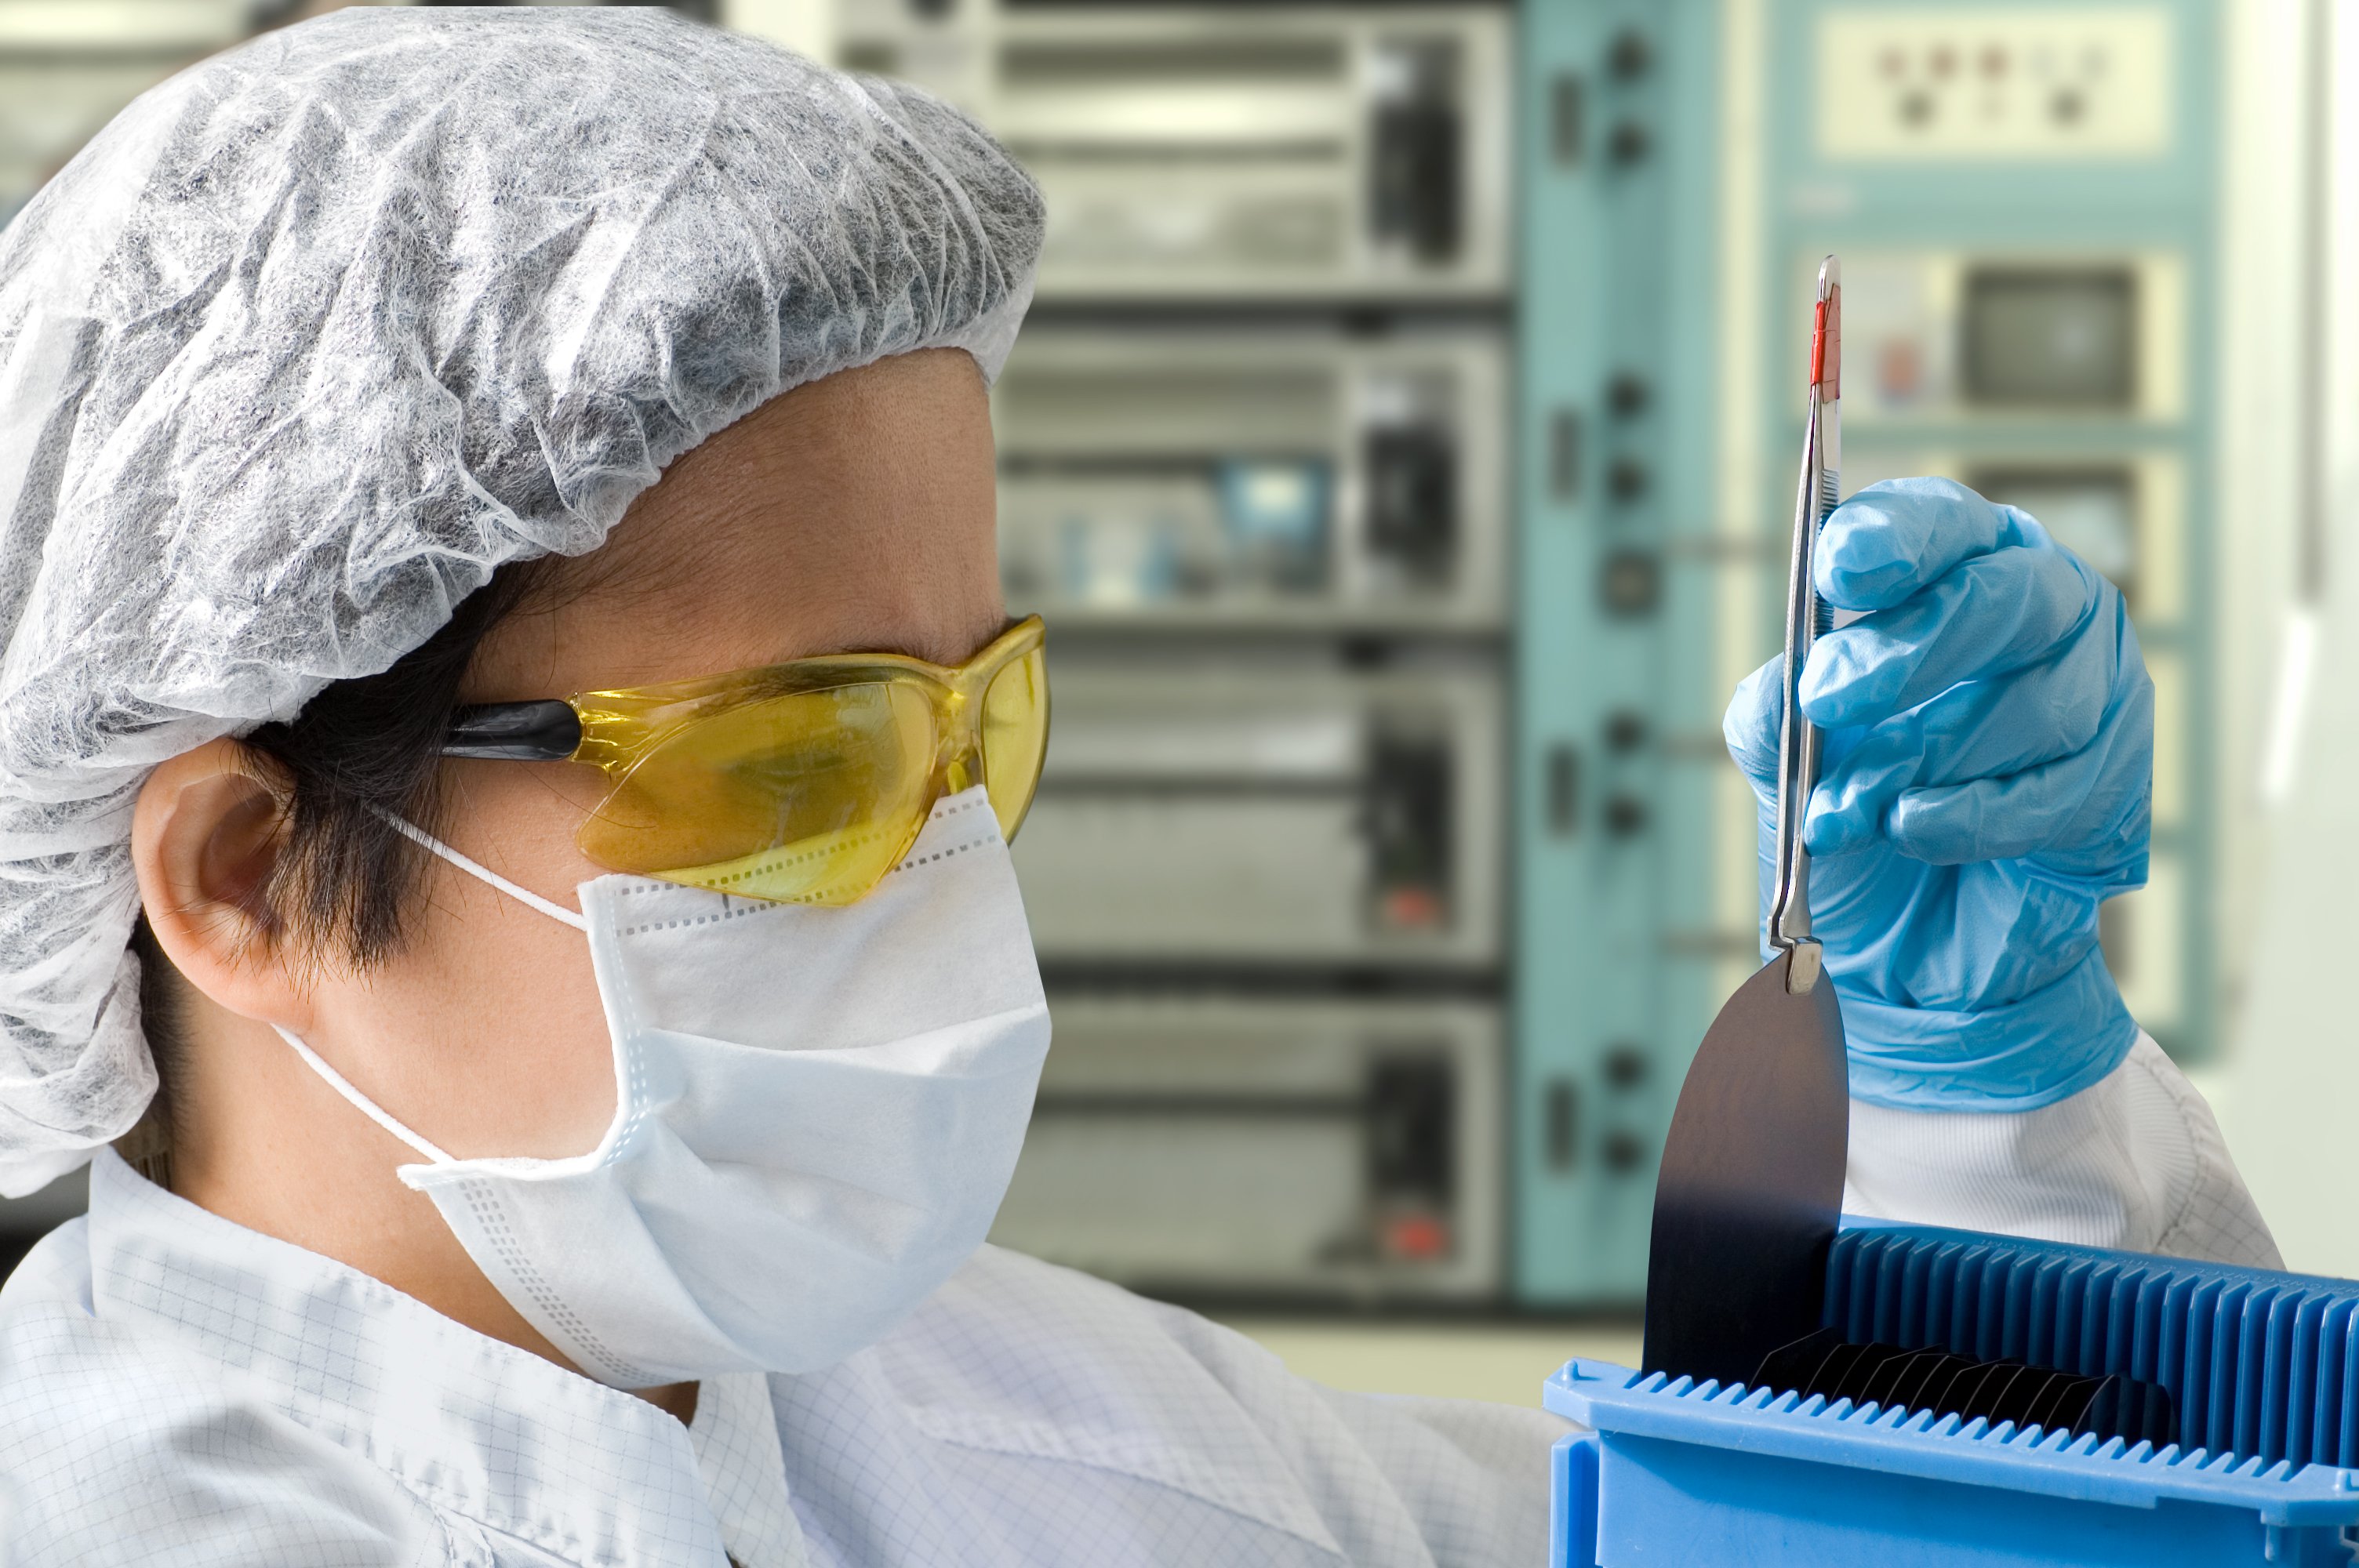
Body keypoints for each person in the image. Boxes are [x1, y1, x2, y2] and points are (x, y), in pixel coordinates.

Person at [0, 8, 2277, 1566]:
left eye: (976, 726)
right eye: (798, 759)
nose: (943, 874)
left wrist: (1985, 1103)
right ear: (242, 873)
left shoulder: (1016, 1443)